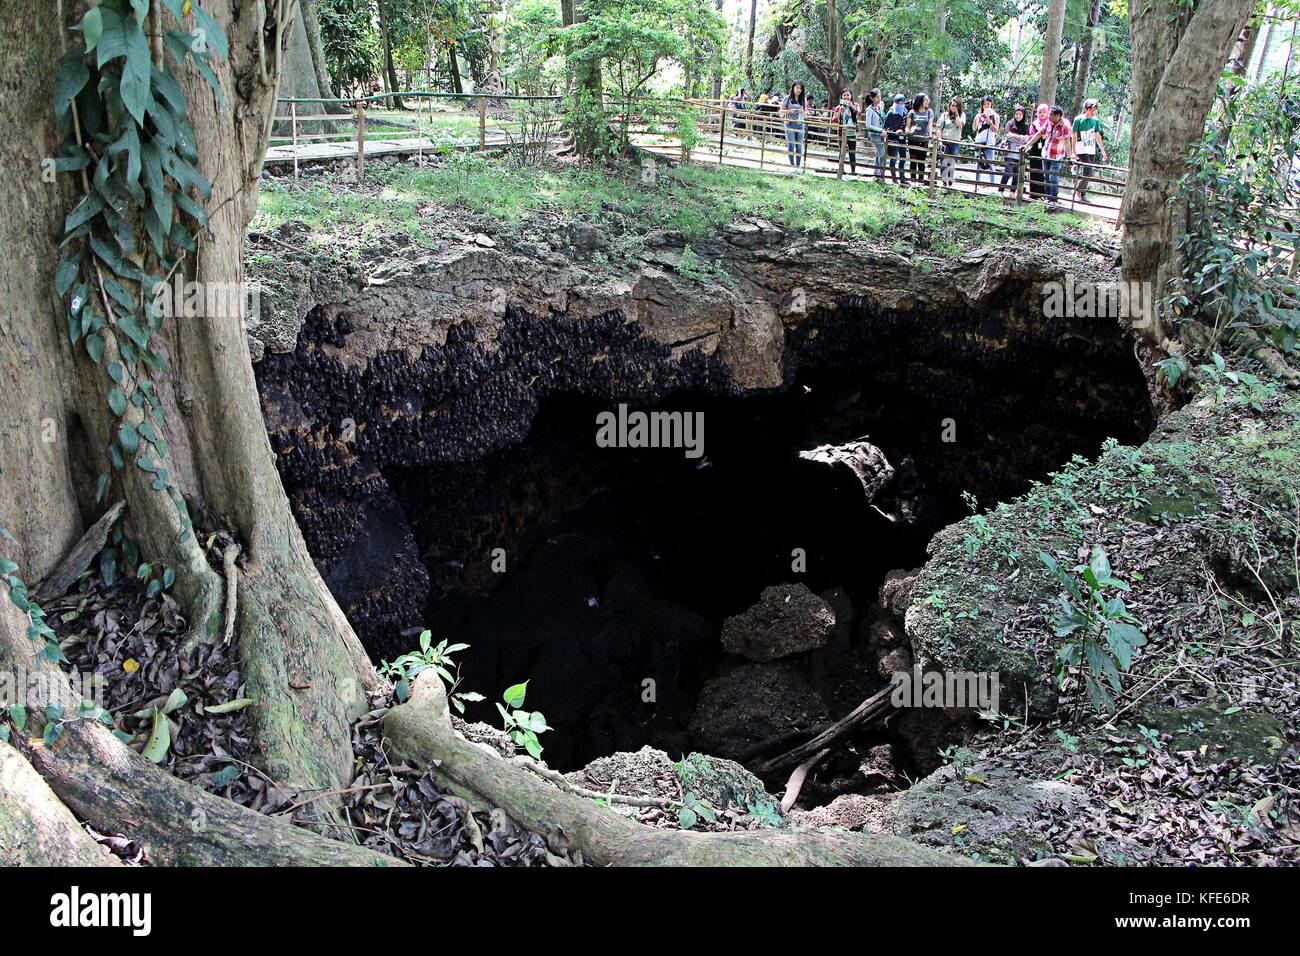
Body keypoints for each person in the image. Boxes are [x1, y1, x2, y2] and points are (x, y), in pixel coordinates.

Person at [1026, 104, 1073, 204]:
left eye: (1051, 114)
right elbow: (1039, 133)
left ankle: (1054, 199)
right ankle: (1048, 198)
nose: (1049, 116)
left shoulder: (1065, 125)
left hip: (1057, 155)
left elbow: (1067, 141)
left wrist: (1069, 156)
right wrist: (1027, 145)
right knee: (1046, 176)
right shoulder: (1049, 122)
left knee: (1053, 176)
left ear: (1057, 115)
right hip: (1046, 153)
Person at [1071, 97, 1108, 203]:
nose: (1093, 112)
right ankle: (1078, 190)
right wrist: (1073, 151)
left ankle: (1082, 194)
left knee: (1088, 171)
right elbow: (1073, 135)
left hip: (1091, 149)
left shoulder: (1095, 120)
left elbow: (1097, 135)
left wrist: (1103, 151)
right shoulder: (1078, 120)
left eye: (1094, 109)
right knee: (1089, 171)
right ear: (1086, 109)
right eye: (1091, 109)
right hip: (1081, 149)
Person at [998, 104, 1031, 193]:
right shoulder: (1010, 123)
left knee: (1016, 173)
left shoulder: (1026, 126)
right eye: (1016, 114)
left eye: (1020, 114)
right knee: (1008, 171)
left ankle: (1012, 192)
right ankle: (1001, 189)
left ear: (1023, 115)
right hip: (1009, 151)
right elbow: (1008, 136)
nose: (1018, 116)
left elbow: (1027, 138)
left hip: (1019, 153)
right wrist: (1020, 138)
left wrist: (1015, 136)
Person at [971, 95, 1000, 186]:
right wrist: (977, 119)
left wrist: (989, 122)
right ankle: (977, 184)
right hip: (979, 140)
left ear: (991, 104)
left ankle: (992, 184)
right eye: (984, 104)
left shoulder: (995, 116)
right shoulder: (979, 115)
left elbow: (996, 129)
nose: (986, 106)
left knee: (991, 163)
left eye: (988, 104)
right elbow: (974, 128)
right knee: (979, 163)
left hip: (989, 142)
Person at [937, 96, 965, 188]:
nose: (953, 107)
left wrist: (956, 114)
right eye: (952, 105)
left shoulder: (962, 115)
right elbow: (939, 128)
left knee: (952, 163)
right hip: (944, 141)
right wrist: (940, 141)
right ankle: (944, 182)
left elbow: (959, 125)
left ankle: (950, 183)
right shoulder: (944, 115)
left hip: (955, 142)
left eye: (956, 106)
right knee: (944, 162)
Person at [832, 88, 861, 174]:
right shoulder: (839, 107)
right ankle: (841, 169)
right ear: (841, 96)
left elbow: (859, 113)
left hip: (852, 132)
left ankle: (853, 170)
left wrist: (852, 106)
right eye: (844, 95)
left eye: (848, 95)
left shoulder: (855, 105)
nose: (846, 97)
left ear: (851, 96)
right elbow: (834, 119)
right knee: (841, 152)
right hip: (841, 132)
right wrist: (840, 110)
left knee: (852, 152)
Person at [1025, 103, 1051, 199]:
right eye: (1040, 112)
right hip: (1035, 149)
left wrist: (1046, 135)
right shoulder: (1034, 124)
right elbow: (1031, 136)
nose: (1042, 114)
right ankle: (1034, 193)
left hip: (1047, 149)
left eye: (1044, 112)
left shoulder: (1050, 123)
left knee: (1044, 172)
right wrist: (1038, 134)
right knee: (1035, 171)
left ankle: (1045, 194)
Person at [905, 93, 933, 183]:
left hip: (923, 140)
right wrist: (908, 131)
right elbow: (907, 126)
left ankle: (920, 181)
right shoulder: (912, 112)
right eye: (925, 100)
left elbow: (930, 125)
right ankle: (913, 180)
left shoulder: (929, 112)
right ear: (920, 101)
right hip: (913, 139)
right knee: (913, 160)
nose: (927, 102)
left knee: (922, 161)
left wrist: (931, 135)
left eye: (928, 100)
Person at [884, 93, 909, 185]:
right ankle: (894, 179)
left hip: (902, 138)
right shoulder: (891, 112)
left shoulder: (905, 112)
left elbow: (906, 124)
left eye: (902, 102)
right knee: (893, 158)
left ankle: (902, 178)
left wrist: (904, 130)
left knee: (903, 158)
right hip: (893, 138)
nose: (900, 104)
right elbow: (886, 127)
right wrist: (895, 131)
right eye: (899, 103)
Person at [781, 82, 807, 167]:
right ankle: (792, 164)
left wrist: (803, 112)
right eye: (797, 88)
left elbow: (806, 112)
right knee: (791, 144)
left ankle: (798, 165)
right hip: (789, 123)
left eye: (800, 88)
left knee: (799, 145)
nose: (798, 90)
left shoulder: (803, 99)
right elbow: (781, 111)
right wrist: (789, 111)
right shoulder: (787, 98)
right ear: (793, 88)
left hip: (800, 123)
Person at [863, 88, 886, 178]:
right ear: (872, 98)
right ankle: (880, 173)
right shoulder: (869, 109)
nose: (879, 99)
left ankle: (876, 173)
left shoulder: (881, 105)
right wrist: (879, 130)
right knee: (881, 153)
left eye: (880, 97)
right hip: (874, 134)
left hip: (881, 133)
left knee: (878, 153)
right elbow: (868, 126)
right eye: (877, 97)